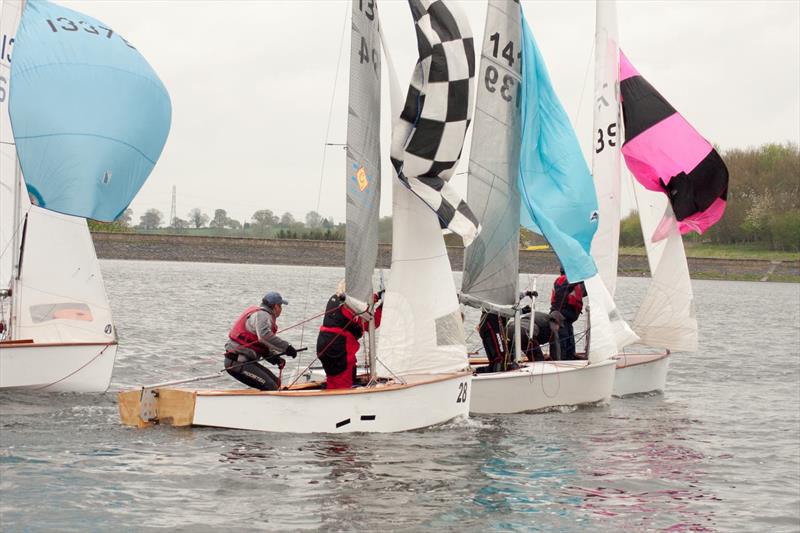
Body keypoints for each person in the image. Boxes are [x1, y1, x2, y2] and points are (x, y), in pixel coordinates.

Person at [224, 291, 298, 391]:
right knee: (271, 387)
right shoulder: (263, 315)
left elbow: (261, 346)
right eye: (281, 306)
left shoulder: (261, 314)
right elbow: (264, 336)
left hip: (244, 362)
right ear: (276, 306)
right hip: (236, 363)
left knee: (276, 383)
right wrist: (287, 347)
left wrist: (275, 359)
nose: (281, 309)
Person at [316, 283, 383, 390]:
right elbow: (371, 323)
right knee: (343, 384)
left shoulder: (337, 301)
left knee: (333, 379)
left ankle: (329, 397)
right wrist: (382, 307)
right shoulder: (352, 308)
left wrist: (376, 297)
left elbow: (360, 306)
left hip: (323, 346)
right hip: (339, 348)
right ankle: (341, 403)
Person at [550, 267, 586, 360]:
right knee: (562, 346)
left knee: (570, 344)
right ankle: (561, 363)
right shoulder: (562, 280)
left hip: (567, 321)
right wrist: (585, 275)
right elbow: (568, 284)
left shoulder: (574, 285)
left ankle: (571, 358)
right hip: (560, 319)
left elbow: (584, 290)